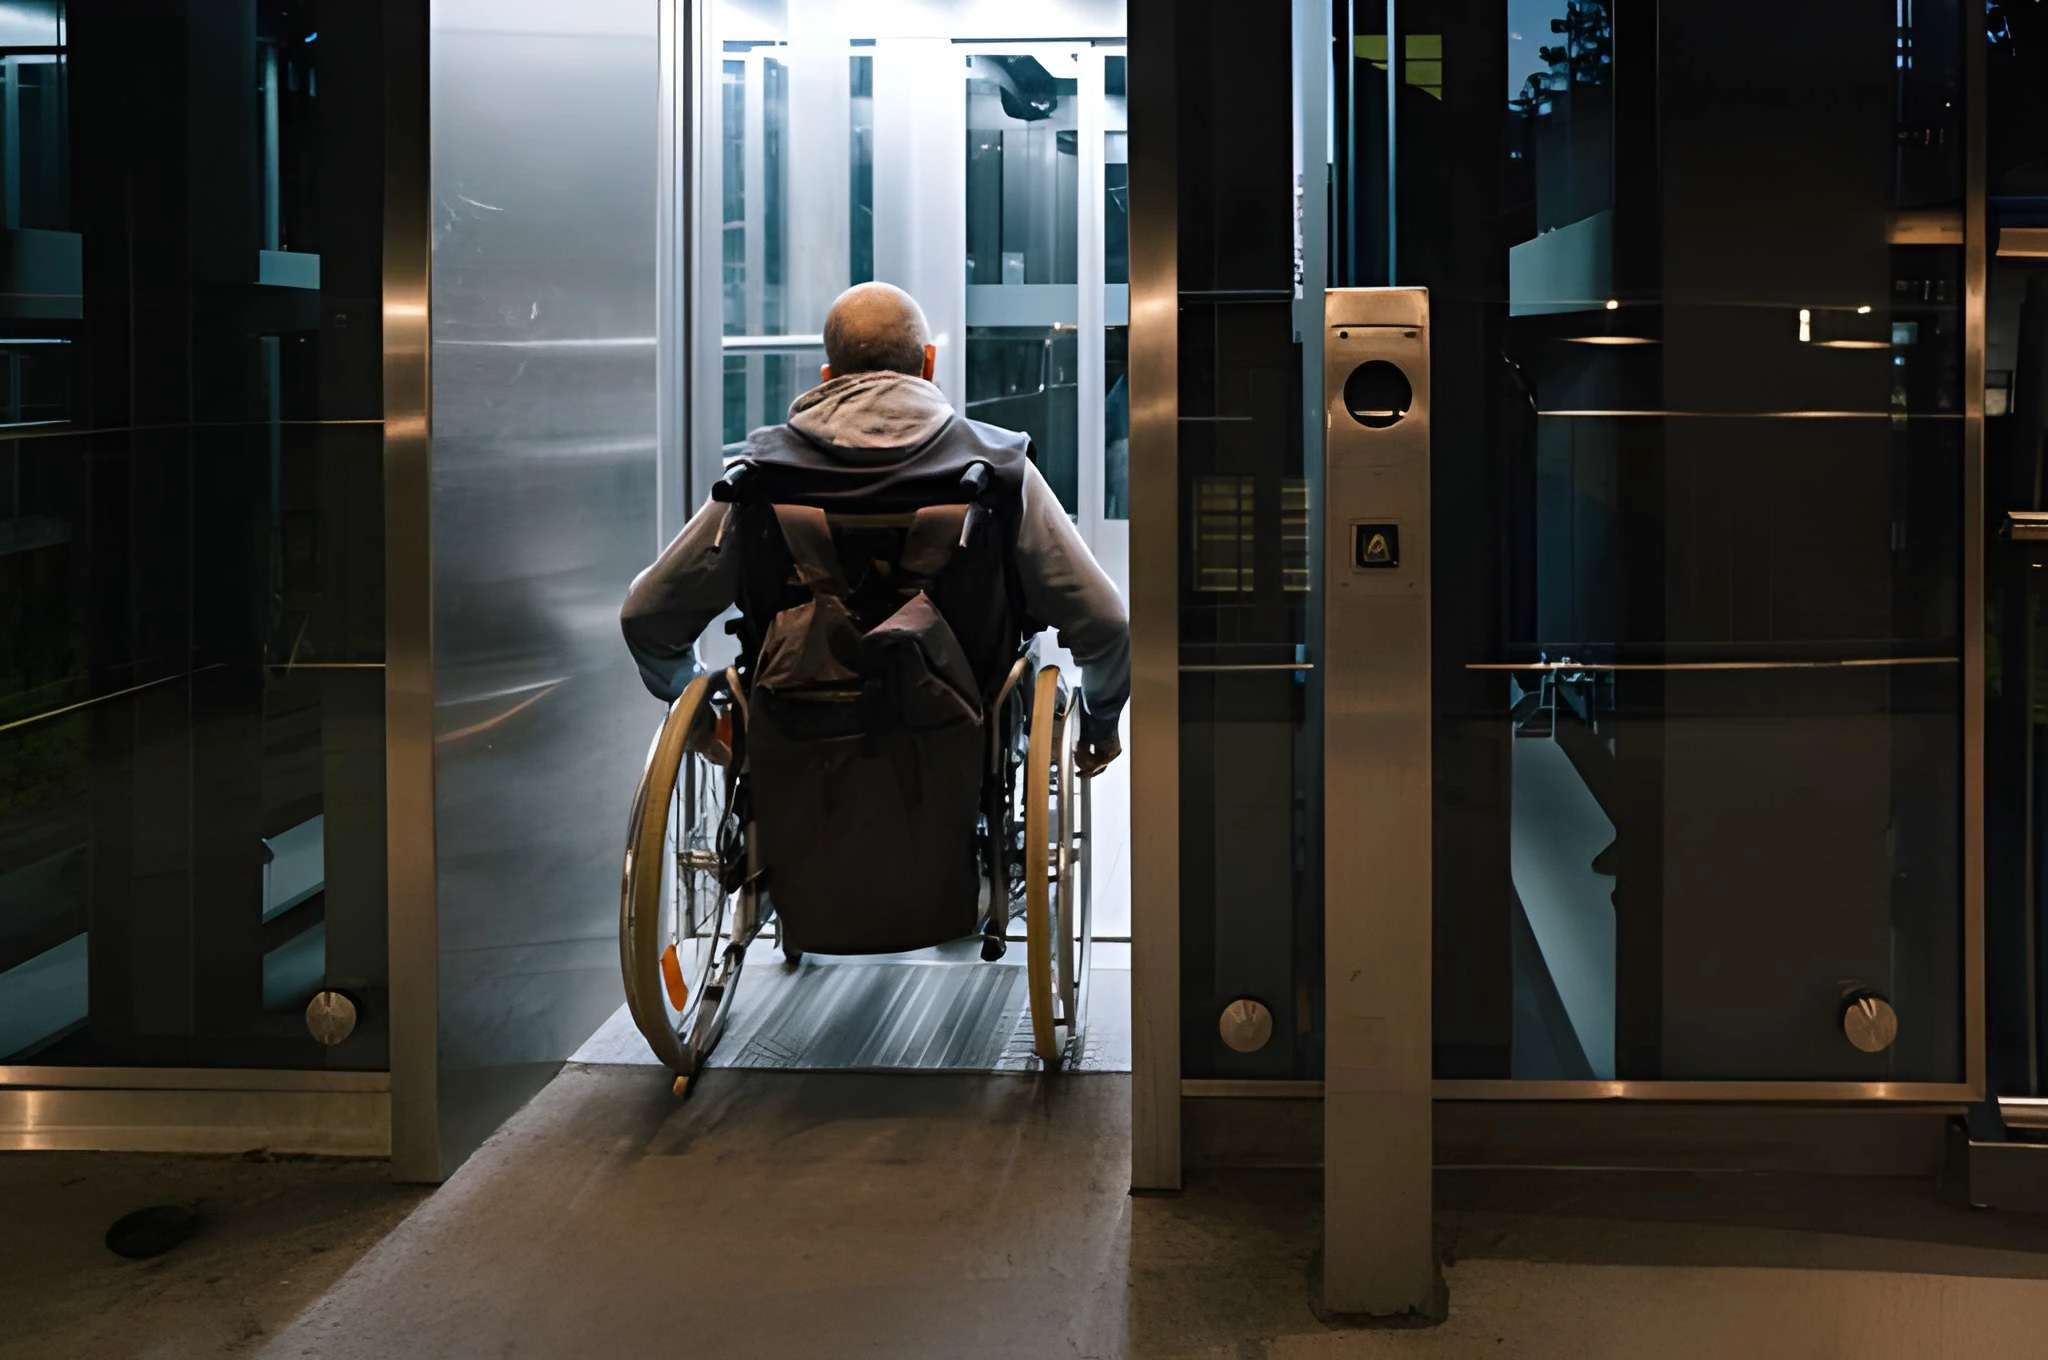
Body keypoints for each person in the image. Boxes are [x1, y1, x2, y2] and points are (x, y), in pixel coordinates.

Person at [621, 281, 1129, 775]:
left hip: (792, 750)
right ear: (928, 364)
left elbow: (648, 616)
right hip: (962, 752)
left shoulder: (759, 479)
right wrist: (1099, 724)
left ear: (827, 376)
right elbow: (1104, 623)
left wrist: (703, 721)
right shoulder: (999, 470)